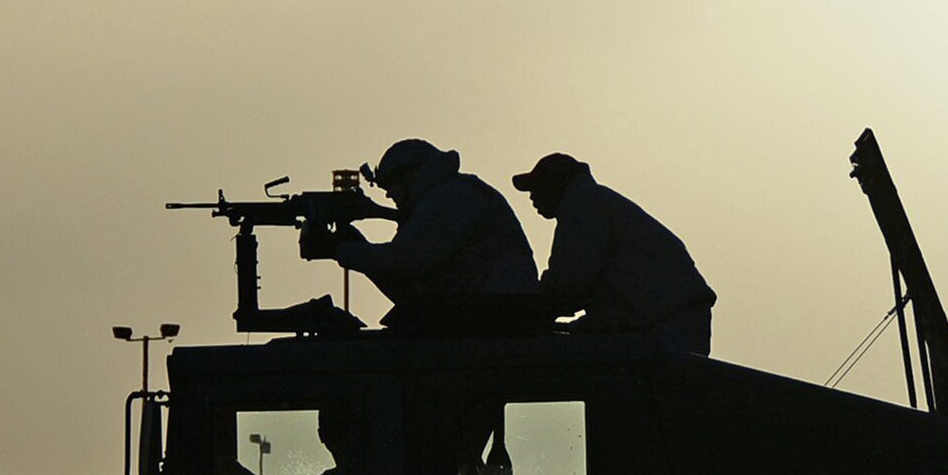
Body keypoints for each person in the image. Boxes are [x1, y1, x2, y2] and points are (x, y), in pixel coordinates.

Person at [511, 152, 715, 355]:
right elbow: (603, 292)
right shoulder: (595, 202)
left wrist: (528, 312)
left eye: (537, 187)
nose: (532, 196)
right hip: (675, 318)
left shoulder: (583, 204)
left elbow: (569, 279)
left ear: (556, 183)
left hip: (668, 322)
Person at [300, 139, 537, 307]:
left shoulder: (450, 196)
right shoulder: (448, 194)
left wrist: (339, 248)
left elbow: (402, 262)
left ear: (409, 176)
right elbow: (408, 286)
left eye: (390, 187)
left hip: (496, 314)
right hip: (489, 311)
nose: (389, 197)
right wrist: (353, 246)